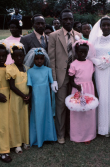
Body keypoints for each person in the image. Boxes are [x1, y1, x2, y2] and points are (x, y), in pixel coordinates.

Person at [48, 9, 82, 144]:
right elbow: (52, 59)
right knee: (61, 105)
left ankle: (72, 131)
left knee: (74, 104)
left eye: (70, 19)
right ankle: (60, 134)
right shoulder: (53, 36)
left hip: (76, 77)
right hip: (61, 76)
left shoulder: (78, 35)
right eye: (65, 19)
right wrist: (54, 79)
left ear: (73, 19)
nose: (68, 21)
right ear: (61, 20)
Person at [24, 48, 57, 148]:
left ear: (44, 59)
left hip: (46, 97)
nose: (39, 61)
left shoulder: (48, 70)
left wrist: (52, 99)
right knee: (37, 116)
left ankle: (48, 136)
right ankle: (38, 139)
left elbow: (51, 84)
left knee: (47, 115)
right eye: (37, 59)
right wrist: (30, 100)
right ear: (33, 59)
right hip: (36, 98)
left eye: (41, 59)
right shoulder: (30, 72)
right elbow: (30, 87)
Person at [68, 40, 97, 144]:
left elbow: (92, 78)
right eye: (80, 52)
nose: (83, 54)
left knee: (88, 112)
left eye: (85, 52)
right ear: (76, 52)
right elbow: (71, 80)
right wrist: (77, 87)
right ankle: (77, 135)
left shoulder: (90, 63)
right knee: (77, 112)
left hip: (89, 89)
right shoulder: (73, 64)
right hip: (78, 90)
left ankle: (88, 135)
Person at [6, 42, 30, 154]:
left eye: (21, 55)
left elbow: (30, 84)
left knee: (25, 119)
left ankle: (25, 140)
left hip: (26, 99)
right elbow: (12, 86)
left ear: (24, 56)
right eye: (16, 56)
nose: (19, 58)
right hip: (16, 98)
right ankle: (16, 143)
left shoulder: (27, 68)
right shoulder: (11, 68)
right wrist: (23, 95)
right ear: (12, 57)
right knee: (16, 119)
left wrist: (29, 96)